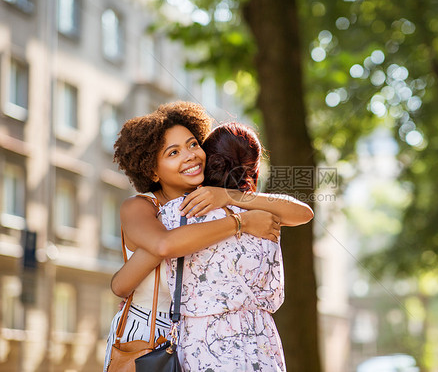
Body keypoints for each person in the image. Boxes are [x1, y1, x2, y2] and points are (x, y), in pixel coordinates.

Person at [105, 102, 313, 371]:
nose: (190, 155)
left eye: (193, 144)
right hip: (148, 332)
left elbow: (301, 213)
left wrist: (228, 196)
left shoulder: (211, 201)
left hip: (195, 332)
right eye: (174, 152)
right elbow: (161, 247)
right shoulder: (141, 207)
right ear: (152, 170)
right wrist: (241, 222)